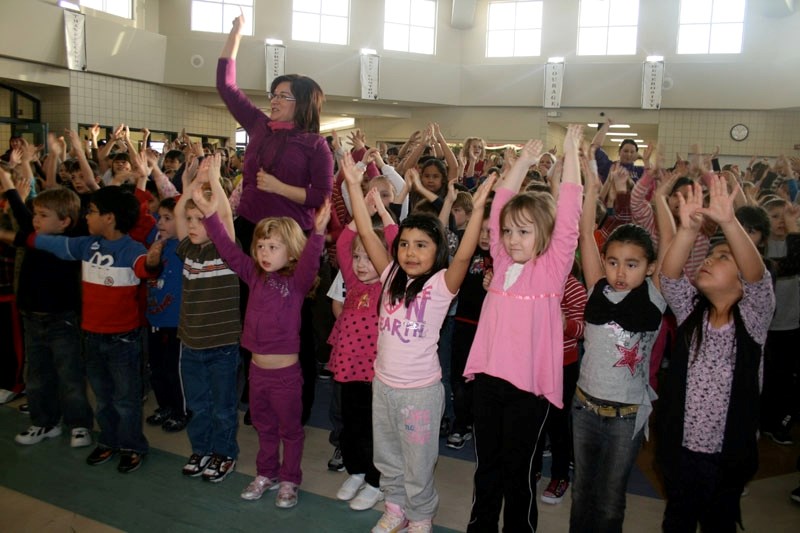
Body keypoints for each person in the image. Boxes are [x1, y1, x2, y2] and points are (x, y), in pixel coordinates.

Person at [343, 151, 495, 533]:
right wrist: (351, 184)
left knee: (419, 460)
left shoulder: (441, 287)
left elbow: (464, 255)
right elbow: (365, 232)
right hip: (384, 386)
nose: (411, 252)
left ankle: (421, 514)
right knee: (389, 457)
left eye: (421, 245)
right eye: (406, 244)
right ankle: (395, 507)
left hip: (419, 393)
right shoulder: (391, 274)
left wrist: (476, 211)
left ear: (436, 251)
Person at [462, 126, 584, 533]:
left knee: (520, 472)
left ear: (545, 236)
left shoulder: (549, 272)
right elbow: (500, 209)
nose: (512, 239)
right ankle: (481, 526)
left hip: (527, 390)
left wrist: (569, 154)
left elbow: (569, 216)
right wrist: (521, 165)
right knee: (487, 468)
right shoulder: (500, 263)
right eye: (510, 232)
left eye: (524, 232)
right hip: (487, 384)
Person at [191, 155, 329, 509]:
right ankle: (266, 473)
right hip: (257, 373)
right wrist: (209, 214)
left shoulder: (296, 283)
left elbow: (312, 262)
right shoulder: (253, 274)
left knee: (290, 431)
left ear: (291, 250)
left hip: (286, 376)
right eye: (262, 246)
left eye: (274, 247)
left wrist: (319, 234)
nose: (265, 253)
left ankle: (290, 479)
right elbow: (226, 248)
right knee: (264, 429)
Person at [217, 12, 334, 425]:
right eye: (273, 93)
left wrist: (279, 188)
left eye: (283, 95)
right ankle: (258, 396)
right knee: (254, 316)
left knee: (292, 321)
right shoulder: (258, 126)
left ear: (301, 102)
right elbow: (226, 86)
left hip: (292, 239)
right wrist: (235, 35)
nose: (274, 99)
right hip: (253, 231)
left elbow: (322, 196)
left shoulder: (316, 144)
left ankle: (295, 404)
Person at [657, 177, 775, 531]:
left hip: (727, 456)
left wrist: (728, 222)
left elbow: (757, 277)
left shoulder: (753, 318)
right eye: (710, 255)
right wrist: (689, 230)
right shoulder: (692, 311)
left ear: (741, 282)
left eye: (722, 257)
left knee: (718, 524)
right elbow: (669, 276)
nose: (709, 260)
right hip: (681, 451)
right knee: (676, 522)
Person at [27, 186, 162, 473]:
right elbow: (54, 245)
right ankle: (109, 440)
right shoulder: (88, 244)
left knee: (125, 399)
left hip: (123, 338)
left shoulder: (132, 249)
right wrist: (23, 238)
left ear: (109, 218)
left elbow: (144, 269)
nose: (86, 216)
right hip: (91, 334)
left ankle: (132, 445)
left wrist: (152, 260)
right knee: (102, 397)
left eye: (91, 211)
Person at [571, 155, 667, 532]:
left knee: (610, 500)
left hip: (625, 416)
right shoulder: (597, 286)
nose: (619, 272)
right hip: (585, 408)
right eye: (613, 262)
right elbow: (584, 237)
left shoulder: (654, 296)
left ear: (649, 267)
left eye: (631, 264)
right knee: (583, 492)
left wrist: (659, 199)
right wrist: (591, 190)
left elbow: (670, 245)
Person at [0, 171, 93, 449]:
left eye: (42, 215)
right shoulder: (32, 234)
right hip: (31, 316)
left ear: (65, 222)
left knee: (70, 375)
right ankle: (45, 422)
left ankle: (79, 424)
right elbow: (18, 208)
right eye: (36, 214)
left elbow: (87, 201)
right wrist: (7, 182)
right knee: (37, 375)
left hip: (62, 318)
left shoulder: (71, 241)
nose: (35, 220)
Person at [329, 188, 398, 511]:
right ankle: (356, 470)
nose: (359, 263)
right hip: (347, 367)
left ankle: (376, 480)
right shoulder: (353, 284)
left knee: (375, 429)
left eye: (368, 256)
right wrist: (361, 215)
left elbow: (397, 247)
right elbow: (343, 243)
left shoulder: (389, 287)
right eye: (357, 257)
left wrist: (384, 217)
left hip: (375, 373)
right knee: (351, 423)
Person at [174, 156, 241, 483]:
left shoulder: (226, 252)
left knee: (223, 408)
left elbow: (224, 216)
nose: (191, 225)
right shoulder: (187, 248)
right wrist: (189, 183)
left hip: (223, 347)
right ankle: (201, 449)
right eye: (190, 219)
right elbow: (177, 214)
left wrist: (214, 180)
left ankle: (224, 452)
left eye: (199, 219)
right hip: (191, 345)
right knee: (198, 406)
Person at [144, 197, 189, 432]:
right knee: (157, 367)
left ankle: (181, 410)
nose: (160, 223)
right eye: (159, 217)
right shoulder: (155, 240)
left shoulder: (183, 246)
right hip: (154, 319)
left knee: (175, 370)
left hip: (176, 323)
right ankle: (165, 406)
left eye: (167, 218)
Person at [590, 118, 644, 182]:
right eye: (625, 151)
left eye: (632, 152)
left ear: (636, 154)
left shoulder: (639, 170)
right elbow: (594, 148)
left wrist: (643, 158)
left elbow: (655, 172)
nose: (628, 154)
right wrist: (606, 125)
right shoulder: (609, 166)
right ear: (619, 152)